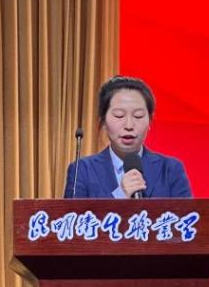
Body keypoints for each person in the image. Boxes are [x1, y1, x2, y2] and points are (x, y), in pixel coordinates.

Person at [64, 75, 192, 198]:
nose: (129, 125)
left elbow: (187, 213)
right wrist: (120, 195)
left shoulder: (170, 169)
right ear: (103, 121)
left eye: (138, 116)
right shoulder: (81, 171)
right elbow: (74, 213)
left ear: (150, 121)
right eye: (119, 115)